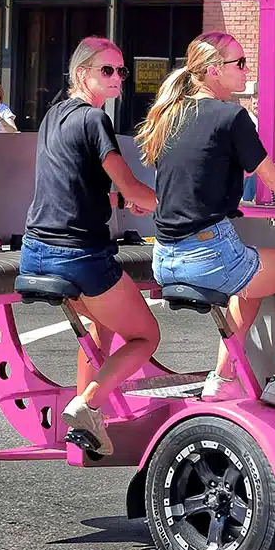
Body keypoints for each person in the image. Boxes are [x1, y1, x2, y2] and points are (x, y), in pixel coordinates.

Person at [137, 33, 275, 418]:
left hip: (165, 255)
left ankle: (222, 377)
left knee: (250, 280)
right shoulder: (232, 116)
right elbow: (273, 179)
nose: (247, 70)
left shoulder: (170, 114)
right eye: (240, 63)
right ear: (214, 70)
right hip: (208, 253)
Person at [20, 37, 161, 457]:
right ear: (82, 73)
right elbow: (131, 184)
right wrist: (179, 206)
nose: (117, 77)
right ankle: (87, 403)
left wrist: (119, 200)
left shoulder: (52, 116)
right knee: (145, 336)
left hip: (35, 248)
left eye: (120, 71)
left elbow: (73, 183)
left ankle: (85, 423)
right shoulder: (94, 121)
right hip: (78, 255)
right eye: (107, 70)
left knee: (102, 325)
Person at [236, 81, 275, 203]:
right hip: (250, 165)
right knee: (246, 199)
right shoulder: (244, 119)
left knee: (269, 198)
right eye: (254, 103)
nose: (256, 106)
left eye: (259, 103)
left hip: (269, 164)